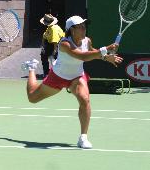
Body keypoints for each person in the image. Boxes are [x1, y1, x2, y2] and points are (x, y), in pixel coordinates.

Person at [22, 15, 123, 149]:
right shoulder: (64, 44)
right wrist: (105, 49)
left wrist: (106, 57)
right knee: (32, 97)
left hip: (77, 77)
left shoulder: (87, 40)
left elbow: (90, 51)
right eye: (80, 27)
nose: (83, 29)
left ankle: (83, 137)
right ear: (71, 30)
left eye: (84, 26)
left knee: (85, 99)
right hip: (58, 76)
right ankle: (31, 68)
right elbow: (82, 56)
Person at [40, 14, 65, 78]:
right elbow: (44, 36)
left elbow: (55, 41)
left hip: (57, 45)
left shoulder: (54, 29)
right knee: (43, 55)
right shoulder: (49, 27)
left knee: (56, 58)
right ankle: (47, 72)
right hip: (50, 44)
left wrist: (55, 50)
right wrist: (43, 46)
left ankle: (56, 74)